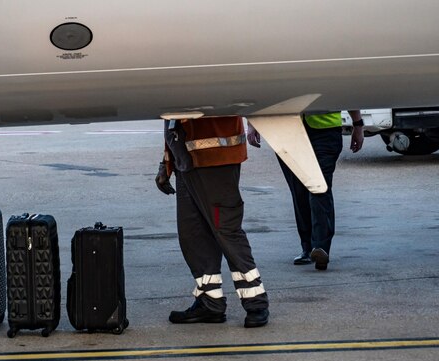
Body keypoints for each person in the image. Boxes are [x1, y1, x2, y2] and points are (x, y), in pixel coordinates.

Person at [155, 116, 269, 328]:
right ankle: (210, 301)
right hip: (186, 159)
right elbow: (171, 116)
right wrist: (167, 162)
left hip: (216, 159)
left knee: (226, 230)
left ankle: (256, 301)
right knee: (193, 235)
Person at [247, 111, 364, 270]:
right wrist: (253, 122)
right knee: (299, 192)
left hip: (325, 130)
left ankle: (321, 247)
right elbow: (264, 89)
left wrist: (358, 124)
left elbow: (346, 89)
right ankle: (308, 247)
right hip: (286, 131)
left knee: (319, 186)